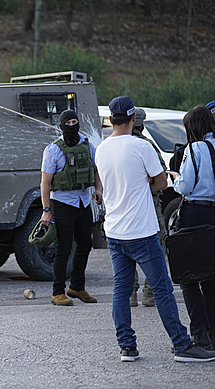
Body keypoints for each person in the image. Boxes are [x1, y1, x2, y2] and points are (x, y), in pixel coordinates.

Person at [95, 95, 215, 362]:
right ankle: (182, 345)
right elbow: (161, 183)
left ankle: (127, 346)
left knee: (121, 289)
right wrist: (143, 183)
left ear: (112, 119)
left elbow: (105, 183)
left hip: (114, 231)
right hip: (141, 230)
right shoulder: (141, 147)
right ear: (134, 118)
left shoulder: (101, 149)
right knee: (162, 289)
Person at [40, 109, 102, 306]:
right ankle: (57, 292)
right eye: (68, 122)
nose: (72, 125)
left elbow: (96, 169)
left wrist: (98, 190)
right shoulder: (53, 149)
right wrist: (46, 209)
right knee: (64, 248)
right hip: (63, 203)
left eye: (74, 121)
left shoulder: (87, 145)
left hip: (84, 201)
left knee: (85, 245)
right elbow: (45, 182)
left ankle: (77, 287)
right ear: (62, 125)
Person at [167, 105, 215, 351]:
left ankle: (199, 334)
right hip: (213, 214)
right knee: (210, 277)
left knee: (189, 277)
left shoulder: (194, 149)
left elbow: (185, 186)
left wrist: (175, 178)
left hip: (194, 213)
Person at [129, 107, 166, 308]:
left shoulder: (112, 145)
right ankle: (149, 293)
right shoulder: (146, 145)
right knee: (155, 248)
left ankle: (130, 294)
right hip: (149, 204)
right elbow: (162, 178)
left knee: (126, 250)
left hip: (123, 207)